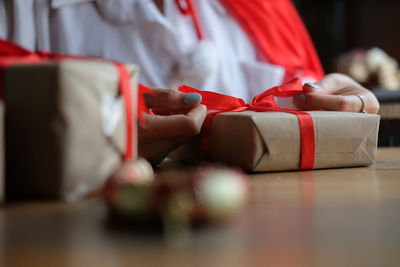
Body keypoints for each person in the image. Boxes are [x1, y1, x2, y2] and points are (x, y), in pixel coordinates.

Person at [0, 0, 379, 163]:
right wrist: (88, 117)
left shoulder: (265, 10)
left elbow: (303, 94)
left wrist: (342, 106)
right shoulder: (18, 12)